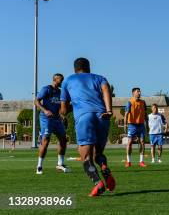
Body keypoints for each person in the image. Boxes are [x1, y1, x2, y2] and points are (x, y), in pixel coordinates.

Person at [59, 57, 115, 197]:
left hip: (84, 117)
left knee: (86, 157)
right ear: (89, 67)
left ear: (75, 69)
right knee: (99, 154)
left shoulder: (68, 80)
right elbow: (106, 89)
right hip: (102, 116)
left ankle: (98, 183)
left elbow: (64, 109)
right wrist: (108, 110)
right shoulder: (99, 78)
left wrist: (67, 110)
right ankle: (104, 167)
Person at [34, 73, 71, 174]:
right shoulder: (46, 89)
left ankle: (60, 164)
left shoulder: (60, 92)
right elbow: (36, 101)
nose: (62, 82)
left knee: (63, 139)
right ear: (55, 79)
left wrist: (63, 116)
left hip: (57, 119)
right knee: (45, 141)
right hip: (46, 119)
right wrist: (45, 110)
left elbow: (60, 106)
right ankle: (39, 166)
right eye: (61, 80)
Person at [124, 87, 147, 167]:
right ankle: (128, 161)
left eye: (140, 91)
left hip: (141, 125)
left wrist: (146, 125)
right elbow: (126, 114)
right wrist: (125, 124)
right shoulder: (129, 102)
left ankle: (141, 161)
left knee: (142, 142)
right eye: (138, 91)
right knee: (130, 142)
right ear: (133, 93)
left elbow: (145, 114)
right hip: (132, 125)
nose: (139, 93)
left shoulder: (143, 102)